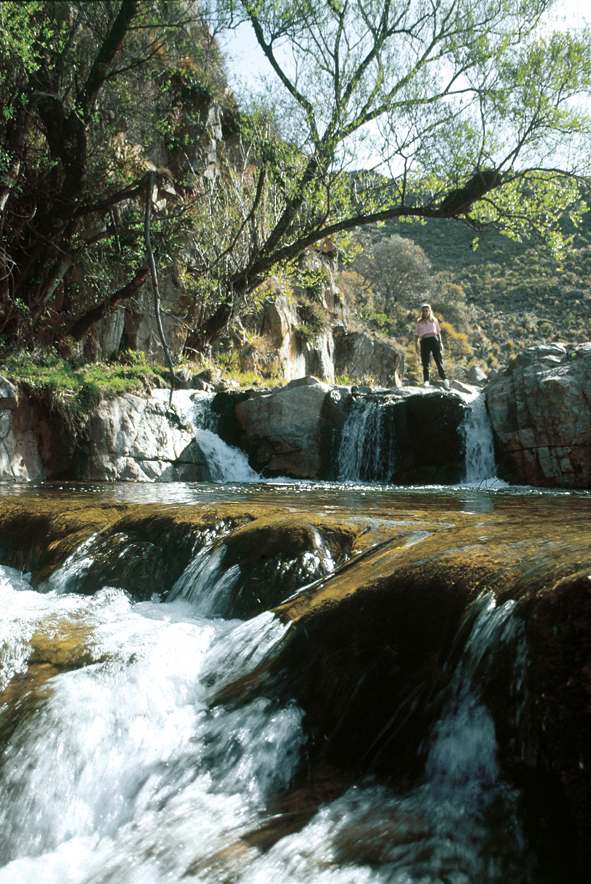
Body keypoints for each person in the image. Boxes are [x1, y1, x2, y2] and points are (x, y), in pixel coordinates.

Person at [414, 303, 450, 388]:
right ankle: (426, 380)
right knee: (425, 361)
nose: (425, 312)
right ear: (422, 312)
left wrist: (440, 342)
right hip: (424, 341)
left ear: (430, 311)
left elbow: (438, 332)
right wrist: (416, 345)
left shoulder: (434, 321)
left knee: (438, 359)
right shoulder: (419, 322)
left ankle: (444, 379)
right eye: (423, 311)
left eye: (427, 311)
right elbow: (416, 335)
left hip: (433, 339)